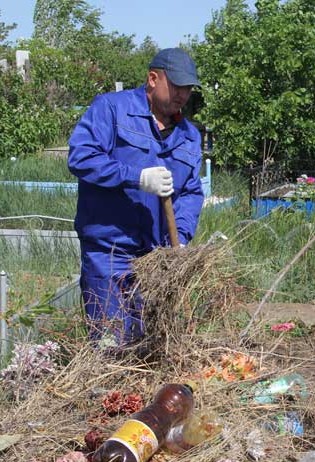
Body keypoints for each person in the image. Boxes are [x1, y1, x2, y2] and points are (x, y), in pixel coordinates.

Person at [68, 48, 204, 344]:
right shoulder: (112, 109)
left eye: (188, 88)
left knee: (149, 344)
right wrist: (137, 176)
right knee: (110, 343)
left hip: (155, 261)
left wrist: (180, 238)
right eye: (177, 86)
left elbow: (191, 192)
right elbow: (82, 157)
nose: (183, 94)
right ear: (153, 78)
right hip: (109, 254)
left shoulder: (189, 136)